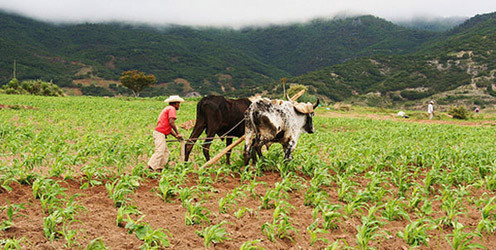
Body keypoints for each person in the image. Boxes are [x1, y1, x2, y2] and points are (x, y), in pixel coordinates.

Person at [147, 95, 184, 171]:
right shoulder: (171, 109)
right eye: (178, 104)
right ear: (175, 103)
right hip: (160, 133)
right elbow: (171, 122)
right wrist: (178, 133)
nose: (179, 105)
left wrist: (176, 136)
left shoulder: (167, 109)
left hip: (161, 133)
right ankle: (151, 168)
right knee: (160, 151)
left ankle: (159, 168)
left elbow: (168, 128)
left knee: (165, 152)